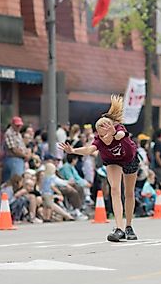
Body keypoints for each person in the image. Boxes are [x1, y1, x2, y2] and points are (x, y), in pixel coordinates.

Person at [59, 95, 140, 242]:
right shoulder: (100, 140)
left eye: (106, 134)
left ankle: (129, 225)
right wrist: (73, 151)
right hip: (112, 161)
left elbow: (120, 134)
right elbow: (89, 150)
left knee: (129, 193)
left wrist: (114, 133)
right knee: (115, 190)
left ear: (112, 129)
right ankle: (119, 228)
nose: (104, 138)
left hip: (129, 158)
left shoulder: (118, 131)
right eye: (101, 135)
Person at [1, 117, 29, 184]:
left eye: (20, 125)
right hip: (13, 159)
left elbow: (22, 147)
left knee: (15, 180)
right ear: (12, 124)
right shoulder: (9, 133)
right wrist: (25, 155)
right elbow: (13, 149)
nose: (19, 127)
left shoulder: (18, 134)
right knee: (16, 180)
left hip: (19, 159)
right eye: (17, 125)